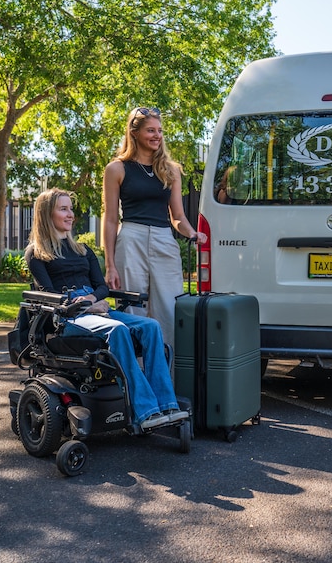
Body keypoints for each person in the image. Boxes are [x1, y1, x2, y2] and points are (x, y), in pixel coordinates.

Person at [26, 188, 188, 431]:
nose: (70, 214)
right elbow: (49, 294)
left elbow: (101, 287)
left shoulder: (83, 250)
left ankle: (167, 404)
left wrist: (93, 299)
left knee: (151, 327)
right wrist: (85, 305)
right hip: (67, 318)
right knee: (118, 330)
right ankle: (145, 410)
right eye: (63, 209)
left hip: (96, 310)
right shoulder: (37, 253)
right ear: (47, 214)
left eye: (70, 209)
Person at [102, 107, 206, 349]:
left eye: (159, 131)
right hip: (130, 238)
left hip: (164, 240)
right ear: (134, 133)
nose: (157, 135)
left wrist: (191, 232)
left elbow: (177, 216)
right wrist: (110, 265)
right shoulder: (116, 169)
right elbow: (109, 219)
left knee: (169, 311)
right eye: (150, 130)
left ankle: (167, 381)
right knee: (133, 310)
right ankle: (134, 378)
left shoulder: (170, 170)